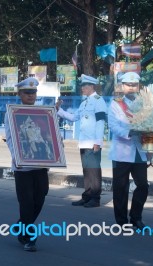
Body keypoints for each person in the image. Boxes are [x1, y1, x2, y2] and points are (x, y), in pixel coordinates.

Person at [5, 77, 49, 252]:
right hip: (23, 165)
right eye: (27, 93)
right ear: (20, 94)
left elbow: (48, 136)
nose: (31, 96)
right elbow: (10, 138)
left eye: (33, 92)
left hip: (41, 163)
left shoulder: (43, 113)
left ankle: (21, 225)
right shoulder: (13, 112)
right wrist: (18, 157)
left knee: (40, 197)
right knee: (26, 202)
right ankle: (29, 237)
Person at [55, 74, 107, 208]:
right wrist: (59, 110)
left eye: (84, 86)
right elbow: (73, 117)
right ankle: (87, 196)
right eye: (82, 86)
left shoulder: (98, 100)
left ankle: (95, 198)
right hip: (84, 142)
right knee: (87, 170)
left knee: (94, 171)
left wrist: (98, 142)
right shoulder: (84, 103)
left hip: (93, 142)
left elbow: (101, 122)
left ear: (91, 87)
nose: (82, 88)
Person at [108, 72, 149, 229]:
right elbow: (113, 126)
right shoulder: (115, 104)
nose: (131, 88)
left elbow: (152, 124)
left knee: (143, 186)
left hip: (139, 152)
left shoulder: (146, 105)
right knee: (120, 188)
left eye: (134, 85)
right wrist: (129, 132)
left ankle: (136, 217)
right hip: (121, 152)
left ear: (138, 86)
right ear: (122, 86)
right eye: (128, 85)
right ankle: (121, 221)